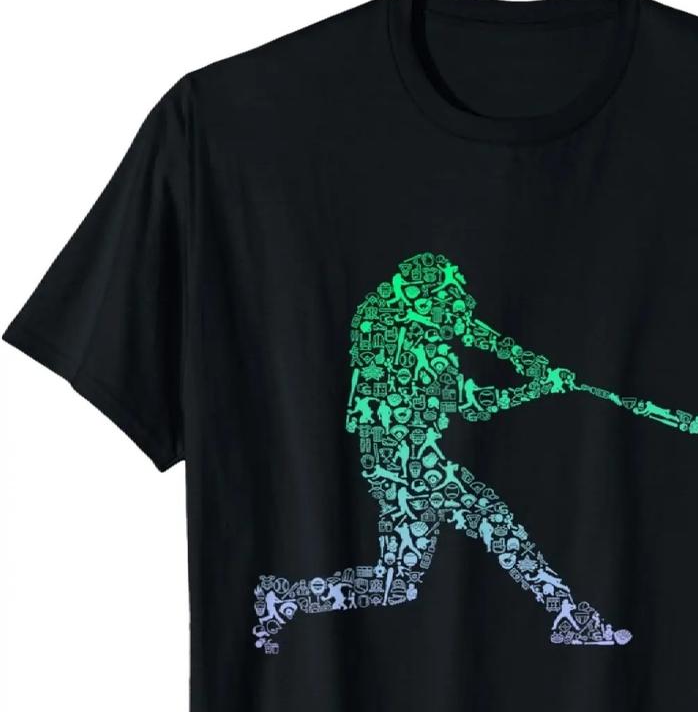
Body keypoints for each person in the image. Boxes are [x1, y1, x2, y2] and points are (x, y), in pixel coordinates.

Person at [253, 251, 633, 651]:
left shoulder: (394, 327)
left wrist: (526, 365)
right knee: (493, 520)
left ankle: (283, 599)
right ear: (421, 301)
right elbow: (473, 402)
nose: (459, 306)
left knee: (395, 585)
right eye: (447, 298)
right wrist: (536, 385)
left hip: (394, 465)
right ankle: (568, 613)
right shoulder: (414, 350)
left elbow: (472, 342)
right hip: (411, 467)